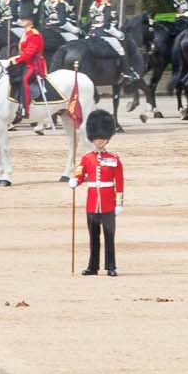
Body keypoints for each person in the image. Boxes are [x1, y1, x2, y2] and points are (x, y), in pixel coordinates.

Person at [74, 108, 123, 276]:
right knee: (93, 238)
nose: (99, 141)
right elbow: (80, 173)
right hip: (92, 203)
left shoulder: (114, 159)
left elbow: (120, 182)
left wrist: (119, 203)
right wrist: (75, 180)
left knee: (109, 237)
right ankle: (93, 266)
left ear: (107, 139)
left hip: (109, 203)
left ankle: (111, 266)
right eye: (96, 138)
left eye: (102, 138)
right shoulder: (87, 158)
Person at [8, 13, 47, 123]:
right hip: (25, 63)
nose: (23, 20)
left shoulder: (34, 34)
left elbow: (30, 53)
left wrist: (16, 59)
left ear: (31, 21)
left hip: (33, 64)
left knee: (24, 80)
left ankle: (25, 108)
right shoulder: (26, 33)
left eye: (25, 18)